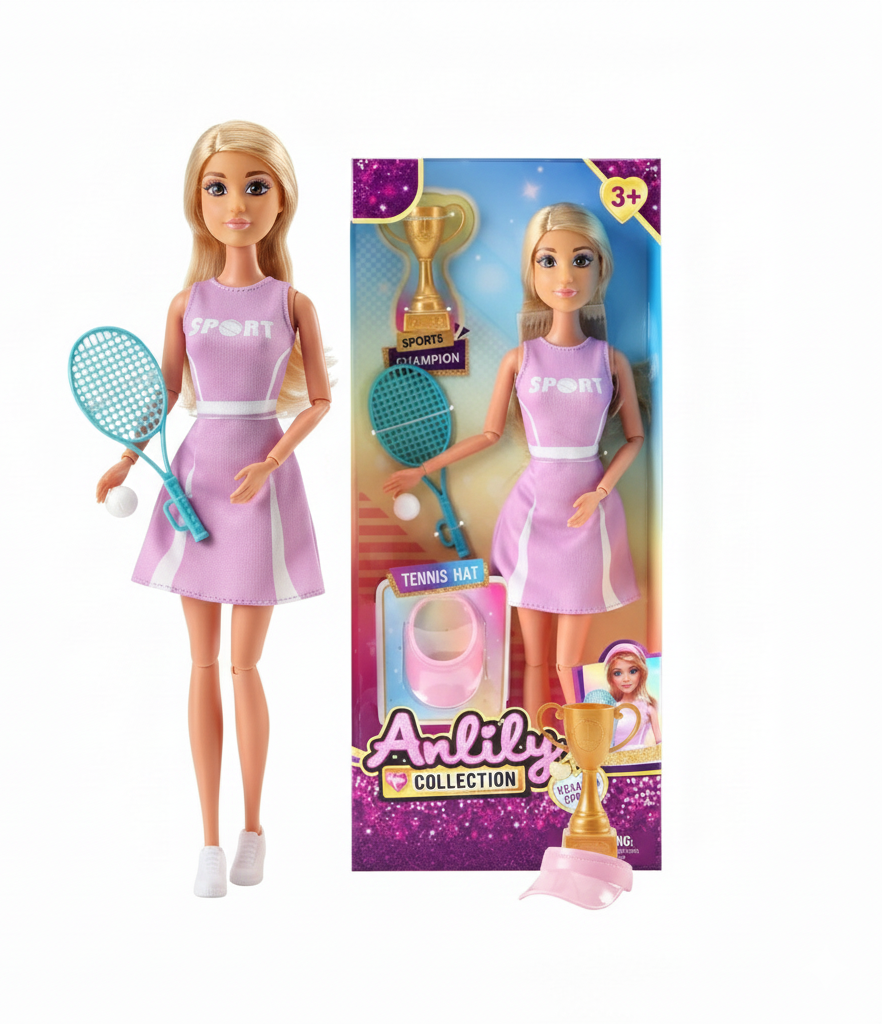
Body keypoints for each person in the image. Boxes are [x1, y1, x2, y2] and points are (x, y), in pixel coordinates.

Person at [95, 122, 330, 897]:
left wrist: (274, 459)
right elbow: (167, 392)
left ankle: (253, 828)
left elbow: (320, 400)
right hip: (195, 480)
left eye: (255, 187)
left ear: (281, 200)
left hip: (257, 487)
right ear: (197, 201)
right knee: (200, 663)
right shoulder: (186, 302)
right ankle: (205, 840)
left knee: (244, 664)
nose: (237, 204)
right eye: (218, 187)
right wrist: (128, 456)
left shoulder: (291, 302)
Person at [385, 203, 642, 720]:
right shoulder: (520, 359)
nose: (565, 276)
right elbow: (489, 433)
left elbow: (633, 438)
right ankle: (534, 744)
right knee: (533, 658)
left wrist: (600, 491)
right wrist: (424, 468)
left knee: (570, 661)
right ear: (531, 270)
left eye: (581, 260)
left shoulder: (608, 360)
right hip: (532, 519)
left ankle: (582, 749)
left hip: (587, 518)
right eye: (548, 261)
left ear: (601, 268)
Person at [604, 642, 661, 748]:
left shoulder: (648, 708)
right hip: (614, 756)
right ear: (611, 678)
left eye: (633, 671)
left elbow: (660, 742)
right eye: (618, 673)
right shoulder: (610, 709)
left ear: (642, 673)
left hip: (640, 755)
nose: (626, 679)